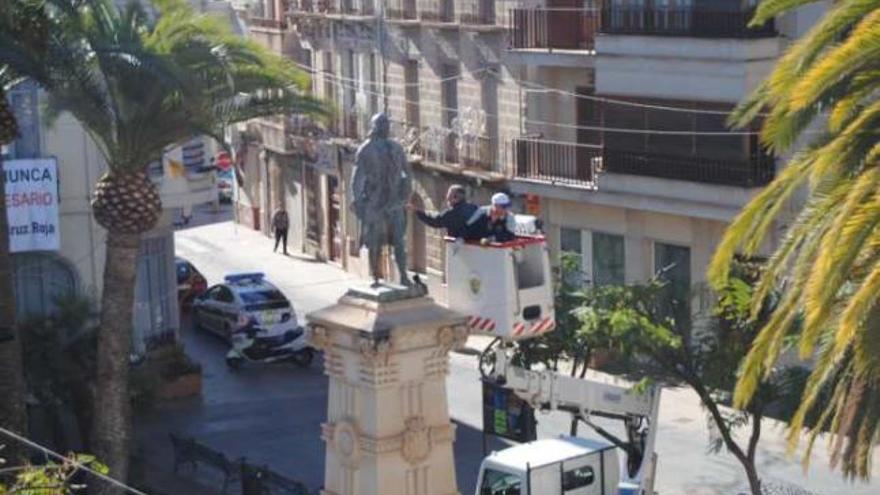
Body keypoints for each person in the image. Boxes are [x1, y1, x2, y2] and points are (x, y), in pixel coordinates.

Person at [350, 113, 413, 286]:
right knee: (375, 240)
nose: (385, 127)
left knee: (399, 241)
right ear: (374, 127)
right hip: (374, 201)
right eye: (381, 124)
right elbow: (357, 179)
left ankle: (404, 276)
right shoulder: (365, 150)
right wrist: (358, 201)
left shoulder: (396, 148)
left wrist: (406, 191)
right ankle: (376, 276)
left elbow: (407, 171)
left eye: (386, 124)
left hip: (395, 201)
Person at [409, 185, 478, 239]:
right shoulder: (474, 208)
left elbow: (435, 221)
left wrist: (417, 211)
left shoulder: (452, 213)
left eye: (449, 195)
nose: (447, 198)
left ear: (455, 198)